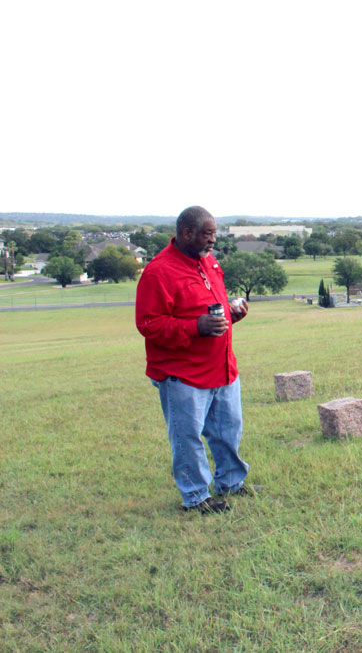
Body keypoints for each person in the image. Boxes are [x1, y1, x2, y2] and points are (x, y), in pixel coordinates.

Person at [135, 206, 251, 514]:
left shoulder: (208, 262)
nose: (213, 240)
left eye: (214, 233)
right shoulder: (159, 271)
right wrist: (194, 327)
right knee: (188, 438)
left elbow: (209, 306)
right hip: (182, 374)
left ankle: (231, 482)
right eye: (208, 234)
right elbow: (148, 323)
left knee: (228, 430)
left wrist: (230, 314)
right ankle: (197, 497)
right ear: (187, 233)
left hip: (221, 368)